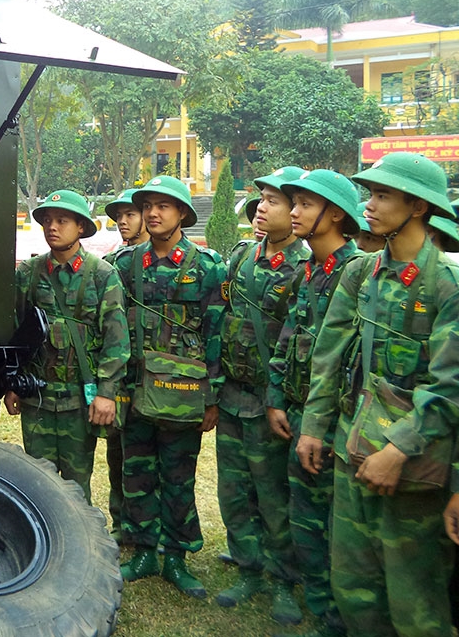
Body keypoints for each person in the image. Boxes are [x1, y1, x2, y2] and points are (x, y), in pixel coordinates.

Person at [298, 152, 459, 637]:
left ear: (417, 206)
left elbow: (450, 386)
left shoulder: (446, 285)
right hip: (352, 452)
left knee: (416, 603)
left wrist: (397, 450)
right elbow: (328, 357)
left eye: (383, 195)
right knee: (354, 589)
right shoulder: (361, 273)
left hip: (415, 471)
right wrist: (314, 427)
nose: (368, 204)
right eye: (370, 193)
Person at [110, 175, 225, 599]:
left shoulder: (208, 267)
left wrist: (212, 397)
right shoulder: (124, 265)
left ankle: (175, 555)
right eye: (148, 206)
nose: (153, 213)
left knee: (178, 475)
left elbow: (216, 333)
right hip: (135, 389)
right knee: (136, 472)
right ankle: (142, 551)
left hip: (184, 392)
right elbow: (113, 327)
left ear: (182, 215)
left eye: (164, 206)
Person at [266, 170, 361, 637]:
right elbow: (291, 336)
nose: (295, 212)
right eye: (294, 203)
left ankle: (340, 617)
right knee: (305, 517)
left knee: (338, 529)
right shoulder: (310, 270)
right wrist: (276, 396)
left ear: (336, 214)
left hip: (339, 421)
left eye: (304, 204)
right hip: (302, 412)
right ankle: (324, 610)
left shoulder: (356, 273)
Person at [216, 166, 310, 626]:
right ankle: (248, 565)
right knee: (233, 491)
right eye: (261, 200)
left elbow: (296, 344)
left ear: (294, 210)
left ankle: (283, 578)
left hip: (270, 401)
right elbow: (222, 319)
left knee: (273, 496)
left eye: (272, 201)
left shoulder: (303, 268)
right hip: (232, 394)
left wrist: (279, 397)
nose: (261, 208)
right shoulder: (241, 258)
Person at [4, 189, 129, 504]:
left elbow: (116, 339)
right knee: (36, 480)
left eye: (62, 220)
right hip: (38, 397)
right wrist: (12, 383)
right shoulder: (28, 274)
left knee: (76, 482)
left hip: (78, 398)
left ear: (82, 228)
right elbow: (14, 332)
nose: (52, 227)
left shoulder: (102, 275)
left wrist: (105, 393)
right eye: (47, 220)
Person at [102, 188, 150, 541]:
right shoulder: (115, 262)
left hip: (157, 376)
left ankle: (152, 527)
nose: (122, 221)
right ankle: (122, 523)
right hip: (122, 377)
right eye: (119, 215)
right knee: (118, 452)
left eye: (130, 214)